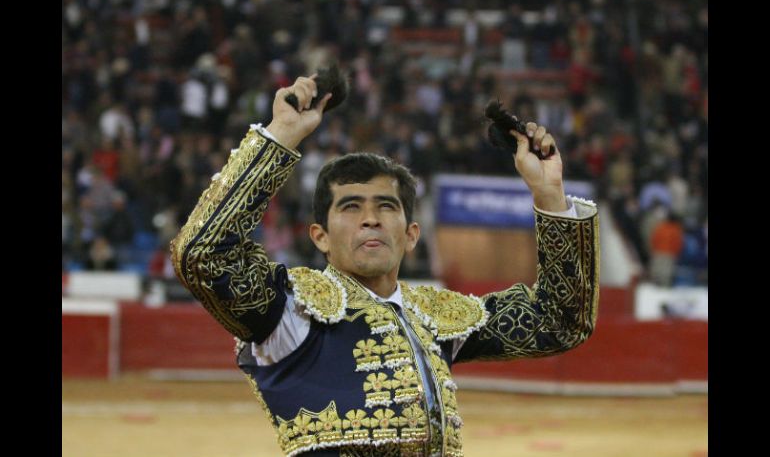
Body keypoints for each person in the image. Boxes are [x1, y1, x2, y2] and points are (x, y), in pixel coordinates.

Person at [170, 75, 600, 457]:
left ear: (411, 234)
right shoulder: (291, 309)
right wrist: (281, 133)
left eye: (385, 206)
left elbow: (560, 320)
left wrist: (549, 196)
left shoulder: (435, 316)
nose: (370, 218)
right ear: (319, 236)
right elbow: (203, 254)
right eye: (351, 207)